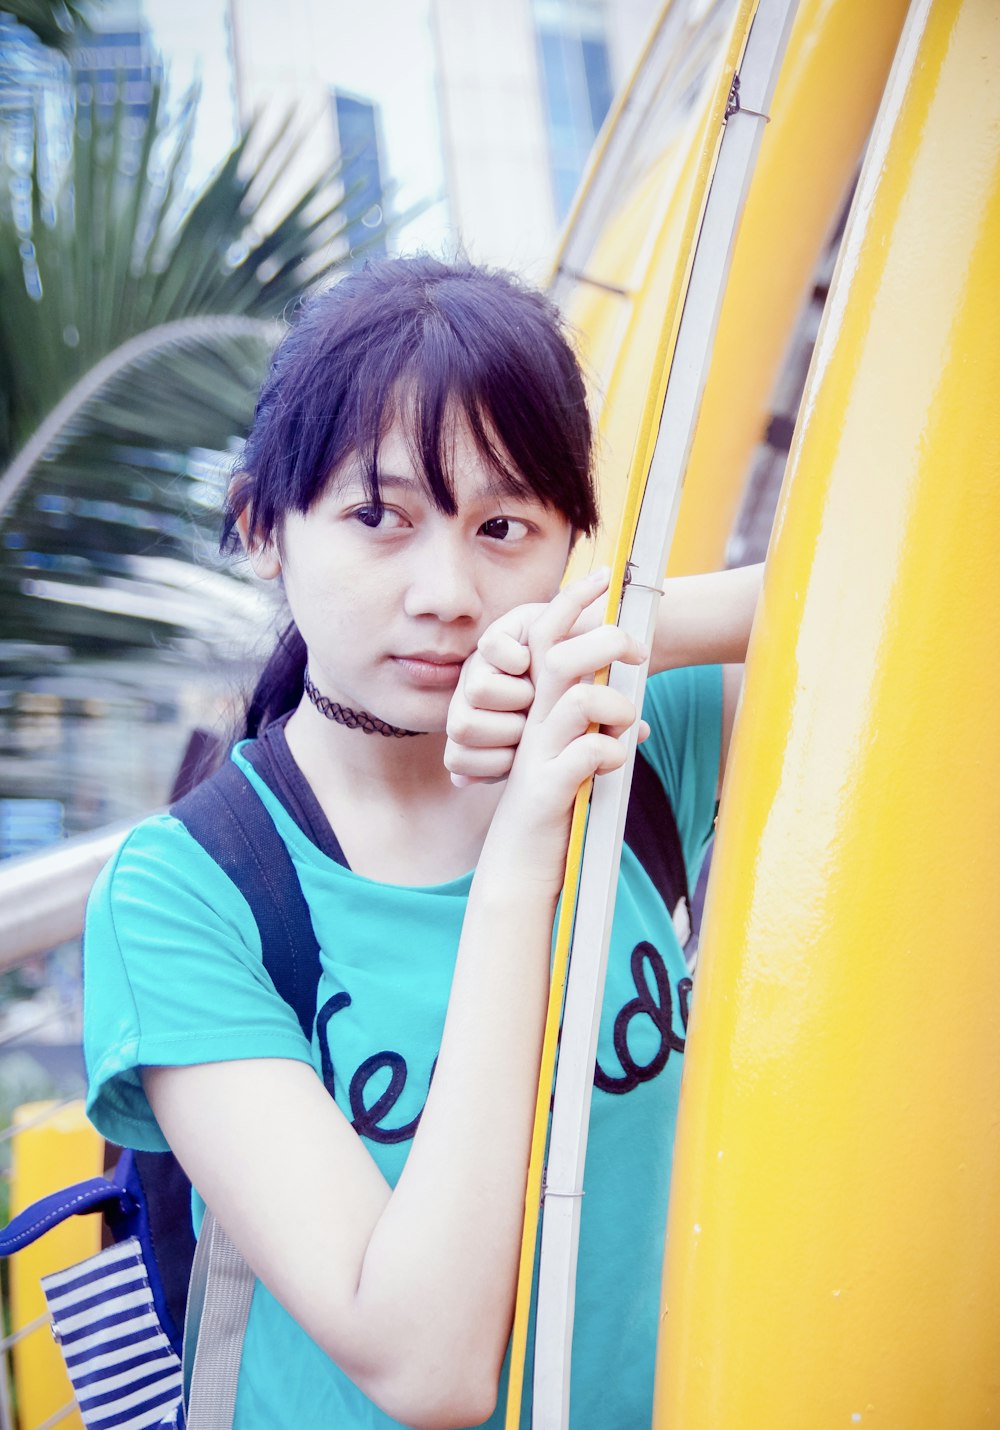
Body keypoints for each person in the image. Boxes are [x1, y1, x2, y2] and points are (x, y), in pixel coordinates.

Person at [83, 256, 759, 1429]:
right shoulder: (190, 895)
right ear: (263, 529)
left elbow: (935, 584)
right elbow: (430, 1369)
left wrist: (644, 623)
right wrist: (517, 866)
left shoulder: (636, 741)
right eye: (378, 516)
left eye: (504, 524)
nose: (449, 590)